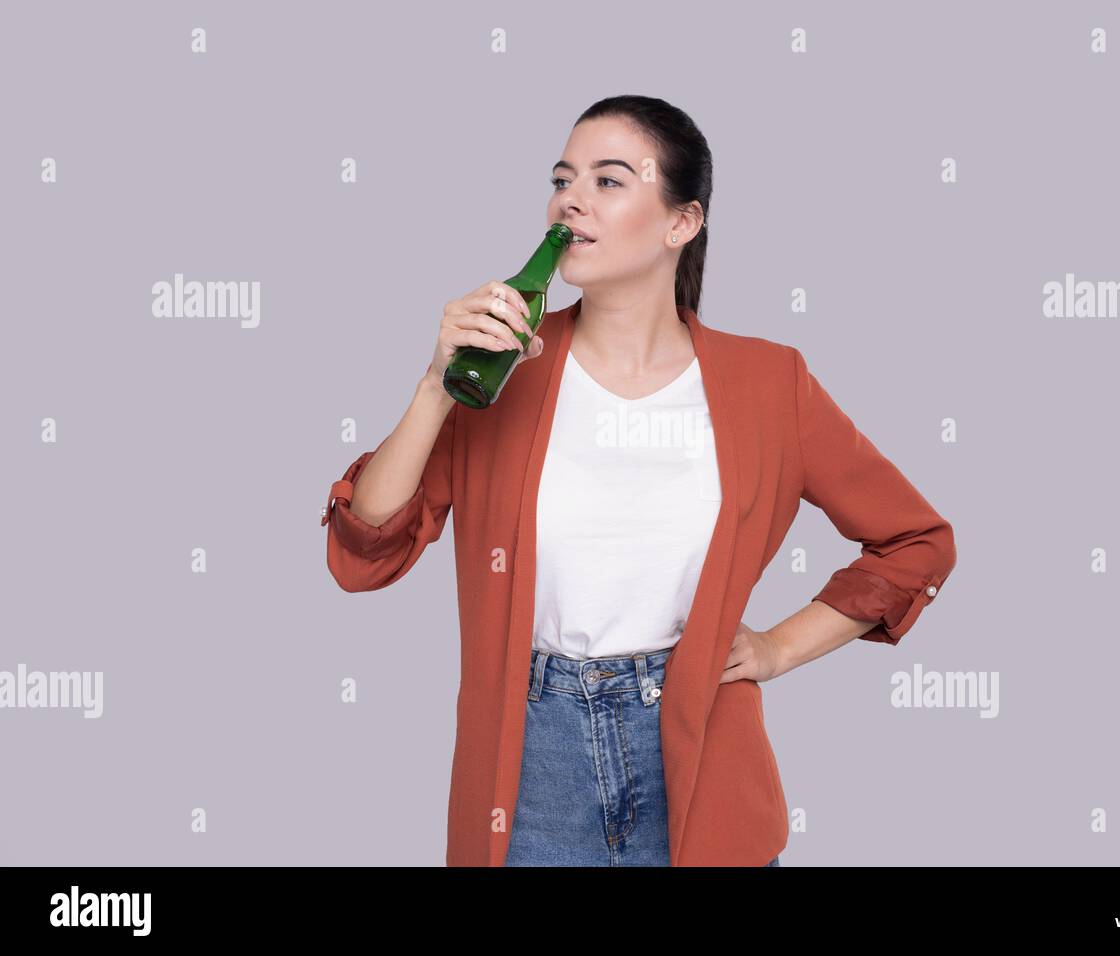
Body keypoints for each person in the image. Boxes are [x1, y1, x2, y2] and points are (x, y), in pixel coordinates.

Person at [322, 95, 957, 867]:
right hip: (530, 765)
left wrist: (779, 650)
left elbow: (914, 542)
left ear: (680, 223)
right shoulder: (505, 369)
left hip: (699, 754)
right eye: (563, 179)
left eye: (610, 180)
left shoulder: (769, 383)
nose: (571, 198)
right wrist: (434, 384)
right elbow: (368, 549)